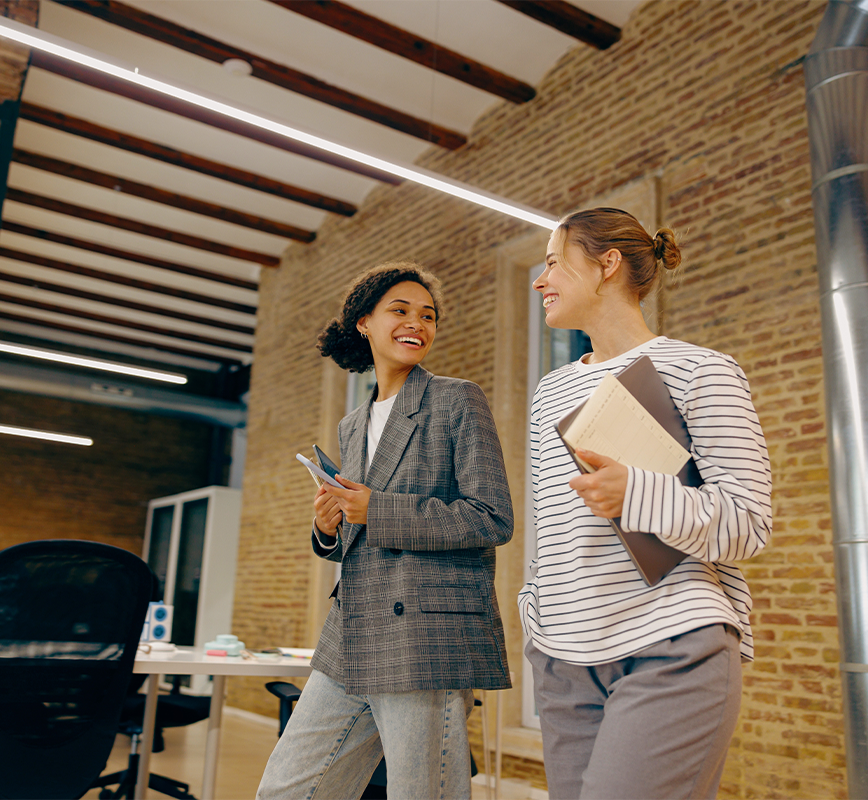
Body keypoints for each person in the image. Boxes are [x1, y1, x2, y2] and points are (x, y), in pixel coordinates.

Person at [517, 208, 772, 800]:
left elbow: (749, 524)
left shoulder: (701, 370)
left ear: (606, 265)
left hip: (670, 648)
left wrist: (639, 492)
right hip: (563, 660)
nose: (540, 279)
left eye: (553, 262)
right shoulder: (550, 390)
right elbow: (550, 530)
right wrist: (538, 615)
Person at [256, 261, 513, 800]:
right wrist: (328, 527)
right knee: (287, 789)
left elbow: (491, 516)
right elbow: (362, 530)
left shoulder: (456, 400)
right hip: (351, 632)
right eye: (400, 310)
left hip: (425, 634)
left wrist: (378, 509)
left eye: (428, 315)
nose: (416, 322)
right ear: (364, 324)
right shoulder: (353, 424)